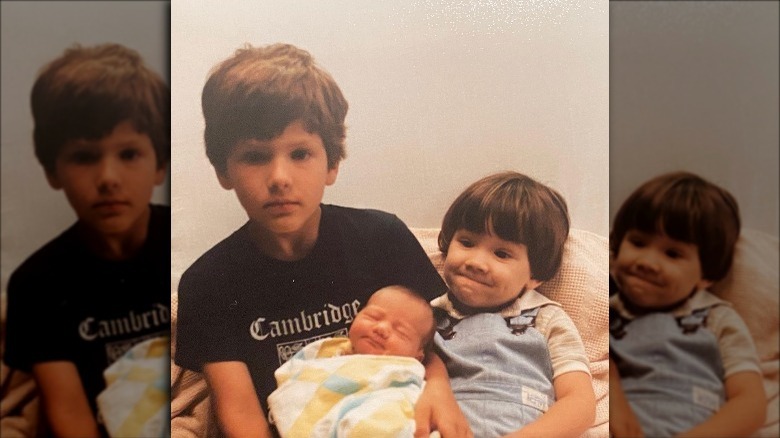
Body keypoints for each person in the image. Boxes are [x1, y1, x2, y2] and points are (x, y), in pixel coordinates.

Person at [174, 43, 470, 438]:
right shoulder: (208, 283)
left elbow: (434, 345)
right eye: (255, 156)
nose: (279, 177)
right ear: (223, 170)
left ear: (331, 164)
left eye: (300, 153)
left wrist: (439, 390)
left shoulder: (383, 239)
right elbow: (240, 414)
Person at [3, 43, 170, 437]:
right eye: (84, 157)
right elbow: (71, 419)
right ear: (52, 170)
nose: (108, 177)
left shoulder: (182, 255)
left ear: (160, 164)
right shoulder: (36, 286)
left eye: (129, 154)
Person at [431, 171, 596, 438]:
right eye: (467, 242)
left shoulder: (546, 318)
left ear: (534, 276)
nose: (476, 262)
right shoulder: (427, 315)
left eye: (501, 253)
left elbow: (580, 403)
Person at [609, 171, 766, 437]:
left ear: (706, 275)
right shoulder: (604, 311)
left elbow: (751, 403)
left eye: (673, 254)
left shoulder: (716, 318)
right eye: (638, 242)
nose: (647, 262)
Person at [267, 285, 437, 437]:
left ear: (417, 357)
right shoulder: (328, 350)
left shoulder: (403, 377)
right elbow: (291, 376)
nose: (381, 329)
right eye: (373, 317)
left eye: (401, 332)